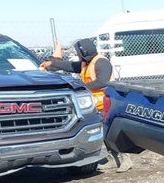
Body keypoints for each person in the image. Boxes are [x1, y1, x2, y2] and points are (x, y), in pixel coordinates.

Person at [40, 38, 132, 173]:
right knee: (104, 134)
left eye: (78, 52)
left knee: (112, 132)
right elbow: (70, 66)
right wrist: (52, 63)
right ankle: (113, 159)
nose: (77, 55)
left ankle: (126, 160)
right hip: (94, 105)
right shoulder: (86, 63)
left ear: (84, 52)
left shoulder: (101, 62)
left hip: (107, 103)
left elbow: (102, 81)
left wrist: (82, 87)